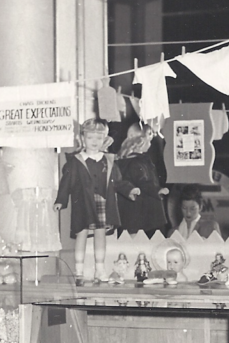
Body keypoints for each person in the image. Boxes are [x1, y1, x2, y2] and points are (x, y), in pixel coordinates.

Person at [54, 118, 141, 284]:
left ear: (104, 139)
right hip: (83, 204)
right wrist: (61, 200)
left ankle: (99, 269)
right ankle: (78, 271)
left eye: (99, 138)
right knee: (81, 233)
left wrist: (129, 189)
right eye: (90, 137)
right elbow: (66, 183)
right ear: (82, 138)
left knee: (101, 235)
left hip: (103, 203)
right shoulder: (76, 161)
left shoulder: (108, 160)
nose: (94, 142)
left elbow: (118, 181)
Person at [116, 122, 169, 235]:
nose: (150, 144)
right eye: (149, 141)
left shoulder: (126, 161)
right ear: (140, 142)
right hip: (142, 209)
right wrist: (157, 190)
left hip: (132, 209)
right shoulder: (137, 163)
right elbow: (143, 182)